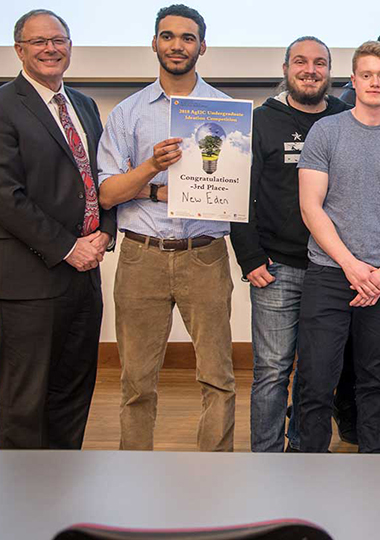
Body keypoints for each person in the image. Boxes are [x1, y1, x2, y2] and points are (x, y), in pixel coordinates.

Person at [98, 4, 236, 452]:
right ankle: (134, 469)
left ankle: (216, 470)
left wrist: (158, 189)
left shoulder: (228, 114)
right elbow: (107, 192)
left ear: (202, 46)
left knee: (218, 377)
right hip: (142, 255)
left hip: (205, 253)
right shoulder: (128, 112)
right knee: (137, 381)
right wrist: (152, 169)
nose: (178, 45)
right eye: (169, 36)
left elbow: (234, 189)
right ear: (155, 43)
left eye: (188, 37)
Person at [295, 40, 380, 453]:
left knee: (373, 380)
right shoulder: (326, 131)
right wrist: (351, 266)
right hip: (329, 274)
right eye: (366, 74)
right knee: (317, 380)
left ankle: (375, 471)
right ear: (353, 80)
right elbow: (310, 206)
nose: (374, 82)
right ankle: (308, 469)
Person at [0, 9, 114, 449]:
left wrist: (106, 230)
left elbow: (100, 177)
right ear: (19, 50)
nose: (51, 48)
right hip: (30, 280)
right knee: (24, 401)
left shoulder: (82, 105)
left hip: (85, 275)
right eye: (39, 42)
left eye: (59, 40)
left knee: (73, 392)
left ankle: (64, 487)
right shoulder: (6, 105)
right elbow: (6, 196)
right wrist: (68, 247)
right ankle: (21, 504)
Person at [229, 36, 349, 453]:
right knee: (272, 371)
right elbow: (238, 189)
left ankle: (302, 453)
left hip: (331, 269)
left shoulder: (344, 117)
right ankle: (265, 458)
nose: (310, 70)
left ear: (329, 73)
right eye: (301, 61)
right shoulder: (261, 120)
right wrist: (248, 257)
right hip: (275, 267)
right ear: (285, 68)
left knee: (317, 372)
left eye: (320, 63)